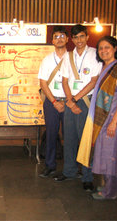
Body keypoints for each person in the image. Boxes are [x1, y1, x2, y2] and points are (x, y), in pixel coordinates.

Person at [77, 36, 117, 200]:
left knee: (111, 155)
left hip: (113, 119)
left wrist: (114, 122)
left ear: (115, 48)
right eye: (101, 48)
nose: (103, 51)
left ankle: (110, 192)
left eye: (107, 47)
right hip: (104, 119)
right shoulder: (106, 68)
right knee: (107, 153)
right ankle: (114, 185)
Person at [53, 24, 102, 192]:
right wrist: (70, 101)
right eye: (75, 37)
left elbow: (94, 81)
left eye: (82, 36)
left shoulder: (95, 54)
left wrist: (75, 99)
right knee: (70, 138)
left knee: (85, 140)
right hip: (70, 101)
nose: (79, 40)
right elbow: (65, 81)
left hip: (85, 101)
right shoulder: (69, 55)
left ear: (87, 37)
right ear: (71, 39)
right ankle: (69, 171)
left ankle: (87, 177)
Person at [38, 26, 68, 178]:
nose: (59, 39)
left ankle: (71, 168)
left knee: (71, 135)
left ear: (67, 39)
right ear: (52, 41)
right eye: (56, 37)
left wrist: (69, 100)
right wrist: (55, 102)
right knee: (50, 133)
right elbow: (43, 83)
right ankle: (50, 166)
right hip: (51, 101)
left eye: (62, 36)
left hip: (70, 102)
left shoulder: (73, 58)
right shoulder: (47, 59)